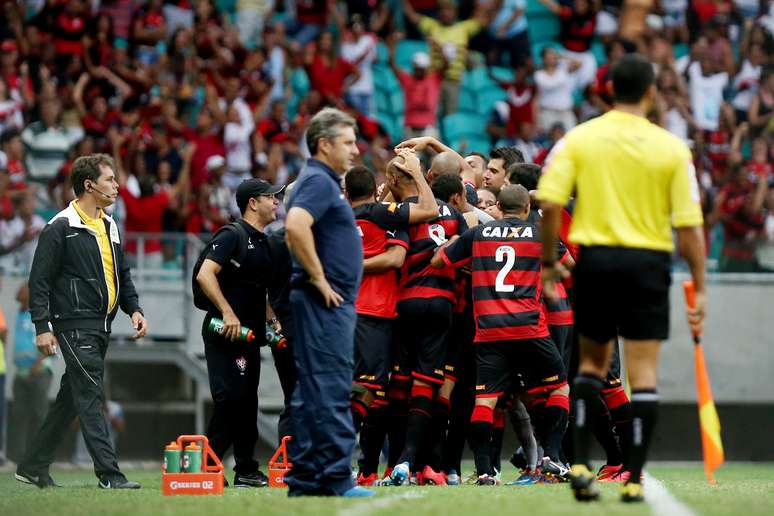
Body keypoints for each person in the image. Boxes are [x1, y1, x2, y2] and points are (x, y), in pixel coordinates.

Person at [537, 54, 706, 503]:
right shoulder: (672, 148)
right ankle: (632, 478)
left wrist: (551, 264)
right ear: (652, 92)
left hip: (597, 262)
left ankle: (576, 463)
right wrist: (700, 286)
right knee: (643, 375)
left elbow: (549, 202)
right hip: (648, 264)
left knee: (590, 368)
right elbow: (690, 227)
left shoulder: (580, 139)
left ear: (610, 90)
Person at [18, 154, 148, 489]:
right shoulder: (60, 226)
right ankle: (109, 474)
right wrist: (43, 328)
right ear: (89, 185)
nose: (117, 185)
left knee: (71, 400)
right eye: (110, 179)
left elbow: (123, 274)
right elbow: (39, 281)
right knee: (91, 395)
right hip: (74, 325)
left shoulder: (110, 224)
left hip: (100, 325)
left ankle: (32, 466)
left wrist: (134, 309)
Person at [431, 185, 571, 485]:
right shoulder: (539, 234)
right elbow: (571, 266)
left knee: (486, 401)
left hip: (490, 331)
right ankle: (552, 457)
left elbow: (438, 262)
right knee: (558, 388)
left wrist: (454, 244)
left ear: (499, 207)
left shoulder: (478, 235)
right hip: (530, 327)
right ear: (525, 210)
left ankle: (484, 472)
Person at [283, 107, 372, 497]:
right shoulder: (319, 182)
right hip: (325, 304)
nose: (355, 150)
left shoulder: (318, 181)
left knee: (311, 390)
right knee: (333, 386)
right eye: (348, 142)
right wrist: (319, 277)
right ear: (324, 144)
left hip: (318, 304)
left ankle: (306, 479)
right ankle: (336, 477)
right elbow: (295, 226)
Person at [195, 178, 284, 487]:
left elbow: (260, 292)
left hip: (249, 335)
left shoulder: (264, 242)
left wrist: (273, 325)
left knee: (246, 401)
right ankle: (204, 466)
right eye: (271, 197)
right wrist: (228, 312)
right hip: (223, 332)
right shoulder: (232, 235)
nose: (276, 202)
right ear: (252, 203)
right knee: (230, 399)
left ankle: (246, 469)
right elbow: (206, 275)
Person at [8, 284, 53, 463]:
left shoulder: (40, 314)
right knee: (18, 414)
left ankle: (39, 455)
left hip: (39, 372)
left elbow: (52, 340)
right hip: (21, 372)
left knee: (39, 414)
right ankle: (18, 455)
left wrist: (38, 362)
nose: (18, 293)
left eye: (22, 290)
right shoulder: (20, 314)